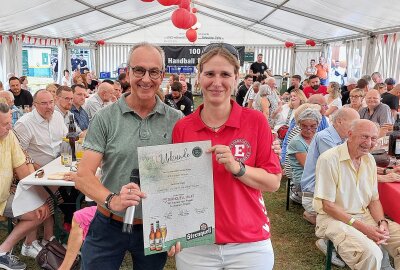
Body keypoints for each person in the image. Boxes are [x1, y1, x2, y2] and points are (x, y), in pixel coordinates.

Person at [73, 42, 184, 269]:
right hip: (109, 223)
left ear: (162, 75)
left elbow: (183, 178)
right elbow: (83, 176)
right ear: (128, 72)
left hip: (154, 227)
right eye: (139, 70)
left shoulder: (176, 120)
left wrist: (180, 224)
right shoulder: (105, 117)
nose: (146, 78)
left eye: (154, 72)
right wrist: (112, 200)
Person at [171, 43, 282, 270]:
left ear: (236, 77)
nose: (216, 82)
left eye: (225, 74)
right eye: (209, 73)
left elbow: (273, 182)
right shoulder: (183, 127)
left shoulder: (255, 121)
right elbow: (175, 188)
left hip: (249, 242)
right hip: (196, 243)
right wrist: (172, 229)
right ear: (199, 76)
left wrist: (237, 167)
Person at [314, 119, 400, 269]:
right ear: (350, 135)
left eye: (373, 138)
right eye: (364, 137)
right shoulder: (329, 159)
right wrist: (363, 228)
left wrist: (382, 222)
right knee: (371, 254)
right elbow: (328, 206)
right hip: (334, 219)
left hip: (363, 216)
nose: (369, 142)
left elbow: (374, 200)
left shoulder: (369, 160)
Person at [0, 103, 50, 270]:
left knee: (38, 212)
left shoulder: (9, 136)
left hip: (3, 198)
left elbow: (22, 170)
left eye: (9, 122)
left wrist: (36, 199)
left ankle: (2, 253)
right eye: (5, 124)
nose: (10, 127)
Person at [301, 107, 360, 224]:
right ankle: (321, 225)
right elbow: (343, 168)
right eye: (354, 124)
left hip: (328, 193)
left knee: (358, 211)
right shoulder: (325, 137)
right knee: (352, 219)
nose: (356, 128)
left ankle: (320, 220)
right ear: (339, 122)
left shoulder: (342, 138)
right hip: (315, 196)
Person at [287, 108, 321, 204]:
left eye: (313, 126)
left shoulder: (318, 137)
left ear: (318, 125)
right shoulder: (297, 142)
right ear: (299, 125)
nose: (308, 129)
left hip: (316, 174)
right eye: (304, 126)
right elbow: (308, 167)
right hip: (305, 178)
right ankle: (302, 196)